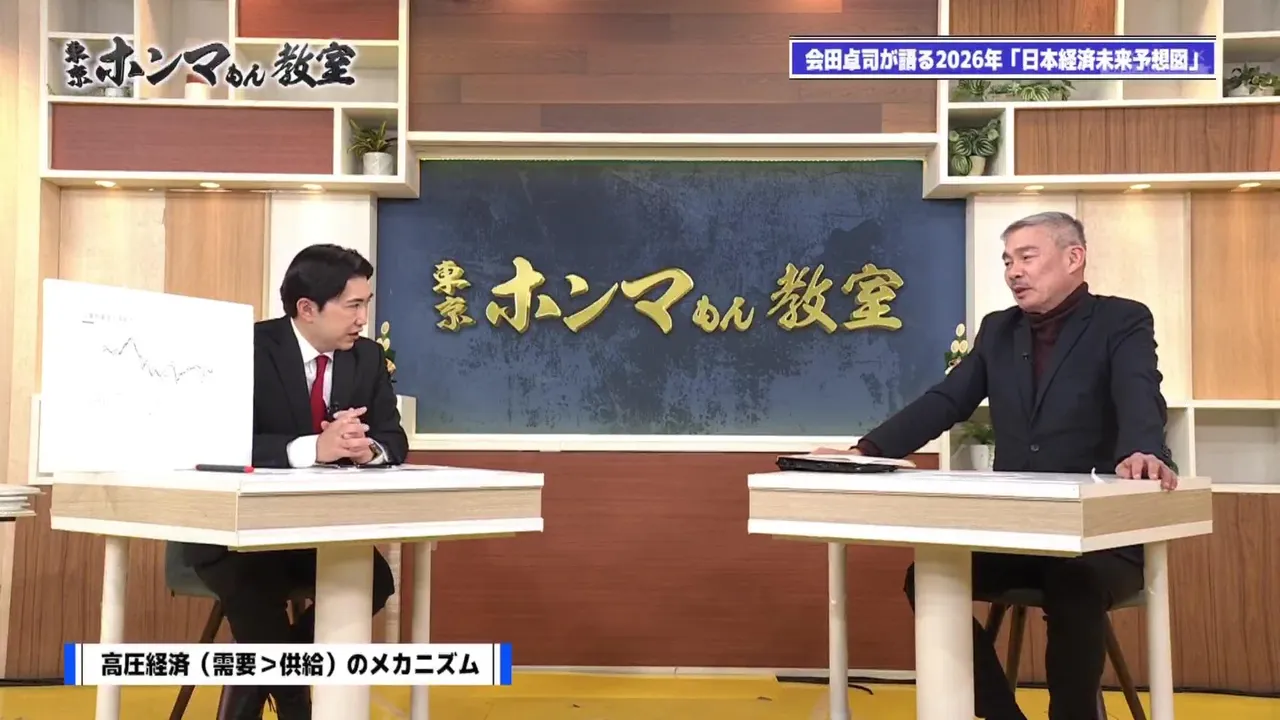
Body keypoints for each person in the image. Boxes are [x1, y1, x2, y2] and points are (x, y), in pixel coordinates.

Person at [821, 211, 1177, 720]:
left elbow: (1139, 389)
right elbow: (947, 400)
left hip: (1098, 540)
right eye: (1008, 261)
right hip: (1021, 532)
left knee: (1074, 583)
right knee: (927, 576)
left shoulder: (1121, 321)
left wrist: (1143, 449)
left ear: (1073, 258)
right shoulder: (998, 330)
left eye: (1027, 257)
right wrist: (867, 451)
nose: (1014, 271)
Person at [183, 244, 408, 720]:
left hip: (314, 532)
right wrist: (312, 449)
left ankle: (278, 678)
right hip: (234, 534)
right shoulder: (245, 349)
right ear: (307, 308)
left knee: (373, 581)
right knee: (254, 586)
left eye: (366, 303)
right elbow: (214, 444)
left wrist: (365, 449)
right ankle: (292, 699)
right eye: (353, 305)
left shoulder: (366, 358)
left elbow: (394, 439)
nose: (363, 318)